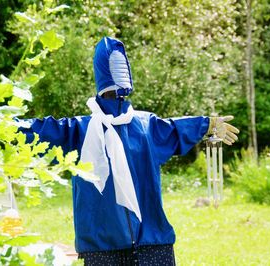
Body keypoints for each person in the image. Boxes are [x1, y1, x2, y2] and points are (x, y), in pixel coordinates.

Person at [19, 37, 239, 266]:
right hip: (108, 248)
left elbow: (176, 128)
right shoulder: (84, 131)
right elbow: (40, 130)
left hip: (148, 245)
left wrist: (207, 124)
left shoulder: (142, 127)